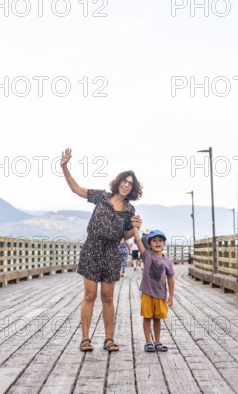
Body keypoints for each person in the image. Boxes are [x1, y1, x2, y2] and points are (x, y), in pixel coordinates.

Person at [60, 148, 143, 352]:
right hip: (92, 249)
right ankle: (85, 339)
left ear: (133, 189)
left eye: (130, 183)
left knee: (107, 297)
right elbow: (76, 189)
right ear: (118, 182)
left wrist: (135, 228)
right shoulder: (101, 197)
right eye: (125, 180)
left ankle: (108, 339)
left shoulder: (129, 210)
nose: (126, 185)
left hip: (111, 252)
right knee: (90, 295)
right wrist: (64, 166)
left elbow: (125, 236)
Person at [133, 228, 174, 353]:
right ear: (149, 244)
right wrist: (135, 227)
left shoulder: (167, 262)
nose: (157, 243)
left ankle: (157, 341)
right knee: (147, 318)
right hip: (147, 293)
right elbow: (138, 241)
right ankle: (148, 342)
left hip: (161, 295)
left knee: (157, 319)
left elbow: (170, 279)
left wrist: (171, 296)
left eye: (160, 240)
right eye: (154, 240)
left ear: (164, 244)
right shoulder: (147, 256)